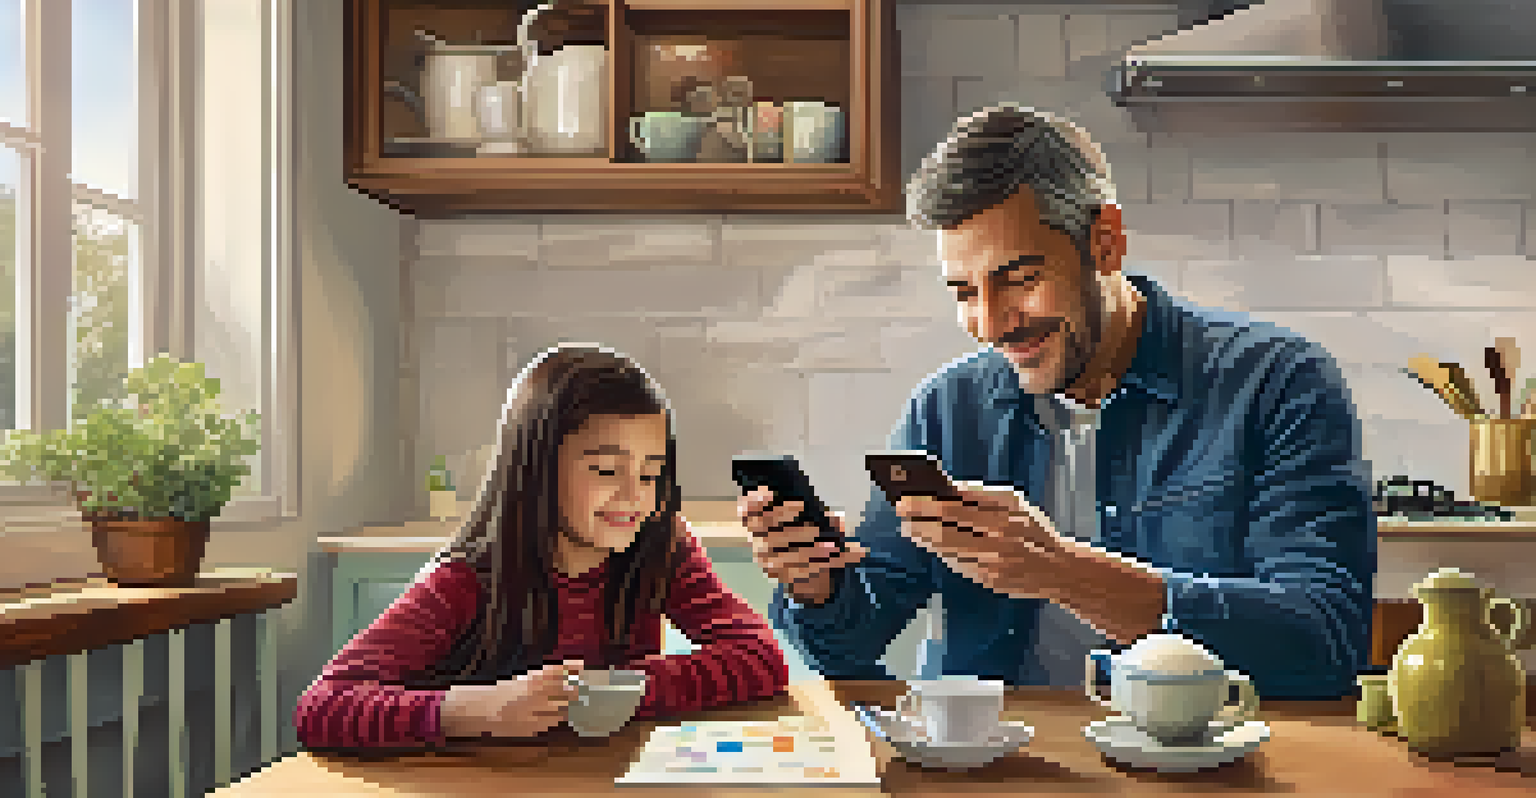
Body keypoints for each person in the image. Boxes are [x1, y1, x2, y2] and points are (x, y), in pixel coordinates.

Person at [745, 104, 1375, 701]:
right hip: (995, 770)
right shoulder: (949, 409)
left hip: (1199, 765)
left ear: (1105, 241)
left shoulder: (1276, 382)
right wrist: (817, 586)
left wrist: (1059, 570)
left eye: (1019, 278)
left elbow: (1323, 643)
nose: (991, 323)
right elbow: (854, 640)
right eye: (964, 291)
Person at [295, 343, 789, 750]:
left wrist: (620, 687)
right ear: (535, 469)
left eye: (650, 472)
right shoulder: (466, 581)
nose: (634, 495)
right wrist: (471, 710)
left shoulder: (661, 548)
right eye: (604, 471)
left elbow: (762, 657)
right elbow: (323, 705)